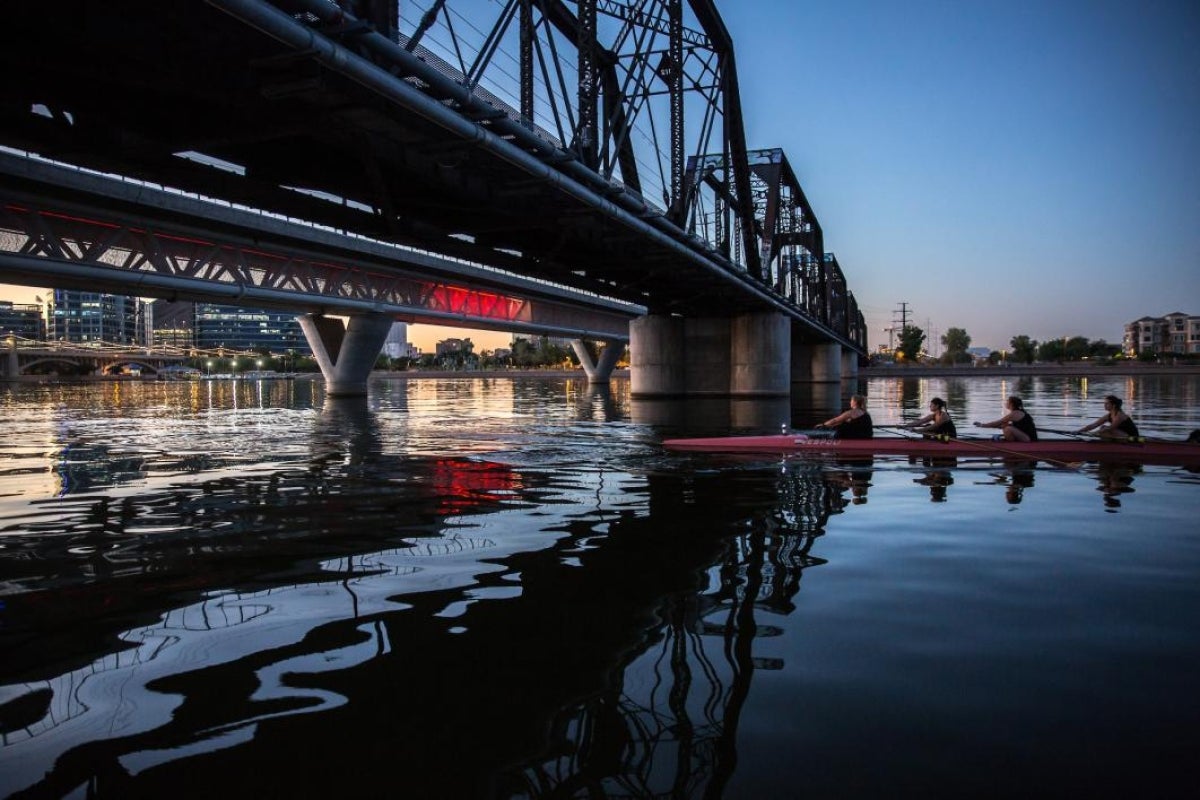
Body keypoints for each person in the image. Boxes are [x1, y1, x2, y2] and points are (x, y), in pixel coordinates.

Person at [974, 396, 1038, 442]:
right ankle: (1011, 443)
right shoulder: (1017, 412)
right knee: (1006, 426)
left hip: (1029, 439)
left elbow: (998, 422)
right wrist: (1000, 426)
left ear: (1011, 404)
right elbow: (1000, 425)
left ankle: (1011, 446)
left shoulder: (1015, 414)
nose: (1006, 403)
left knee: (1007, 428)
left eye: (1007, 401)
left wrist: (982, 425)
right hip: (1026, 437)